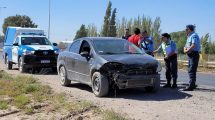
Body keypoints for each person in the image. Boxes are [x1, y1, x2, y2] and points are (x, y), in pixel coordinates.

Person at [183, 25, 201, 91]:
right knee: (191, 70)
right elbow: (186, 45)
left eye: (186, 29)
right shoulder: (189, 36)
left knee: (191, 70)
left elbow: (193, 45)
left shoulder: (194, 35)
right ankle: (193, 84)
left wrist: (187, 50)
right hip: (190, 55)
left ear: (189, 29)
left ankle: (191, 86)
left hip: (194, 55)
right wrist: (185, 49)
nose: (185, 30)